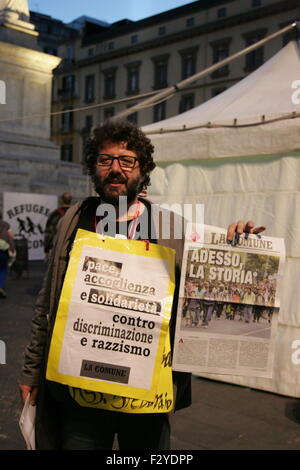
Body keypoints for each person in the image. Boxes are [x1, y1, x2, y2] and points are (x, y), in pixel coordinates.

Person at [18, 120, 266, 450]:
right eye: (105, 160)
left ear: (143, 168)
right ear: (94, 166)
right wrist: (31, 372)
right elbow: (45, 302)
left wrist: (238, 245)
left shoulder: (170, 226)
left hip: (146, 396)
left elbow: (208, 293)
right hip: (81, 394)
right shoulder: (74, 219)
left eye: (126, 160)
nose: (115, 169)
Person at [43, 192, 72, 258]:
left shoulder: (55, 214)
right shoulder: (76, 214)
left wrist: (46, 250)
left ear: (61, 201)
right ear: (70, 201)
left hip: (56, 248)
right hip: (71, 249)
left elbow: (49, 233)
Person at [0, 210, 15, 298]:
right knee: (2, 269)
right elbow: (11, 236)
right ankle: (1, 286)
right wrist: (12, 249)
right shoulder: (5, 224)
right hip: (2, 250)